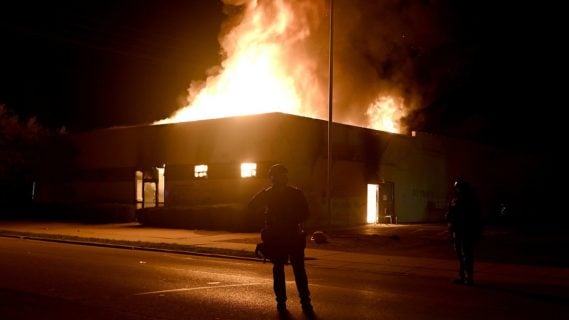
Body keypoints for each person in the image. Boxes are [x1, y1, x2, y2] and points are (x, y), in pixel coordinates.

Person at [248, 163, 313, 315]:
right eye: (279, 176)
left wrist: (273, 220)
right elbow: (252, 206)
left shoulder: (283, 193)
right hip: (282, 236)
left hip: (287, 235)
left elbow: (305, 213)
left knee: (292, 270)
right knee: (289, 270)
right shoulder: (288, 193)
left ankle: (297, 302)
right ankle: (297, 303)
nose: (280, 179)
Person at [446, 178, 482, 286]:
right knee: (460, 254)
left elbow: (476, 217)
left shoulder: (470, 201)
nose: (457, 189)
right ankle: (463, 276)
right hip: (457, 231)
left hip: (466, 231)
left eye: (459, 187)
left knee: (466, 255)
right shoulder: (456, 200)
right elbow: (450, 213)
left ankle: (468, 278)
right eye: (457, 188)